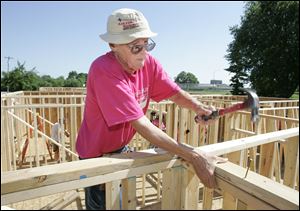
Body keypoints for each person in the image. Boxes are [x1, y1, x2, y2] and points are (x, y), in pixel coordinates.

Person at [75, 8, 227, 210]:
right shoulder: (103, 70)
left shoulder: (149, 63)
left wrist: (198, 107)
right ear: (113, 45)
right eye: (135, 46)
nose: (144, 52)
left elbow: (174, 92)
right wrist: (194, 156)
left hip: (119, 148)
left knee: (120, 202)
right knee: (105, 206)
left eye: (147, 44)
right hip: (95, 155)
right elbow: (141, 124)